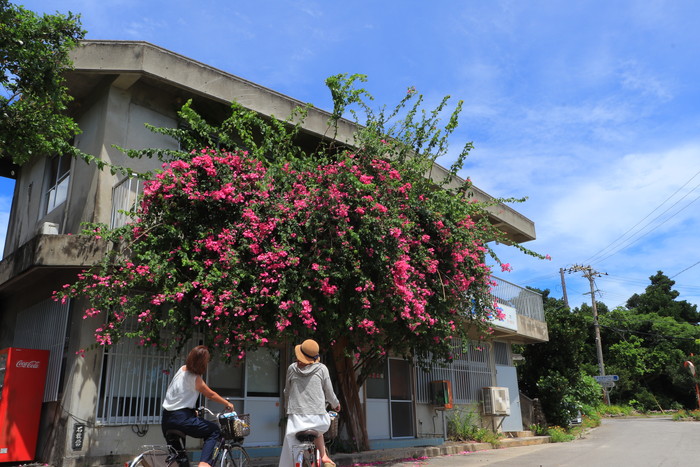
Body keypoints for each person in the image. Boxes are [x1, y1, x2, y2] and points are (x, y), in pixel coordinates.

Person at [162, 345, 234, 467]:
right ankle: (204, 464)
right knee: (214, 430)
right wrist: (227, 403)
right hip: (182, 419)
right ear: (202, 362)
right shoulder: (196, 379)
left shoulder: (182, 370)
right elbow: (210, 395)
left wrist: (191, 410)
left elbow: (179, 393)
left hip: (166, 419)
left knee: (181, 459)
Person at [279, 339, 341, 467]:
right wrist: (336, 404)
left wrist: (287, 408)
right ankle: (323, 456)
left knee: (290, 450)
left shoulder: (292, 368)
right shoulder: (322, 369)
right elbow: (329, 392)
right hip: (318, 418)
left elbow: (287, 392)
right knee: (318, 431)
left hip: (296, 419)